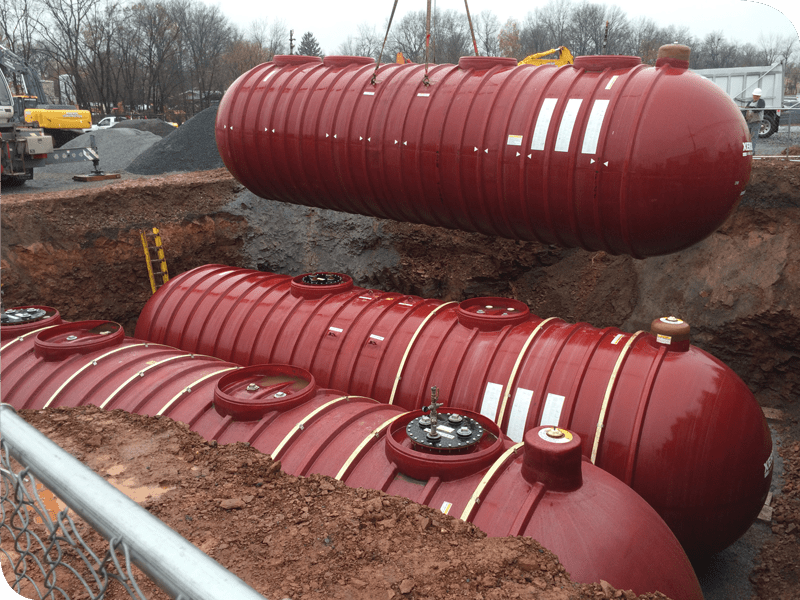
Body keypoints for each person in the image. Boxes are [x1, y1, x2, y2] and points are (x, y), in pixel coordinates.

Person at [744, 88, 766, 153]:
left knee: (753, 137)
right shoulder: (750, 102)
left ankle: (752, 151)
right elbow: (745, 110)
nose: (755, 97)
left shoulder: (761, 102)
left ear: (759, 96)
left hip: (756, 122)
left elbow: (758, 110)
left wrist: (751, 108)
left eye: (757, 96)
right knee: (747, 137)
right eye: (754, 95)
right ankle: (747, 150)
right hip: (749, 121)